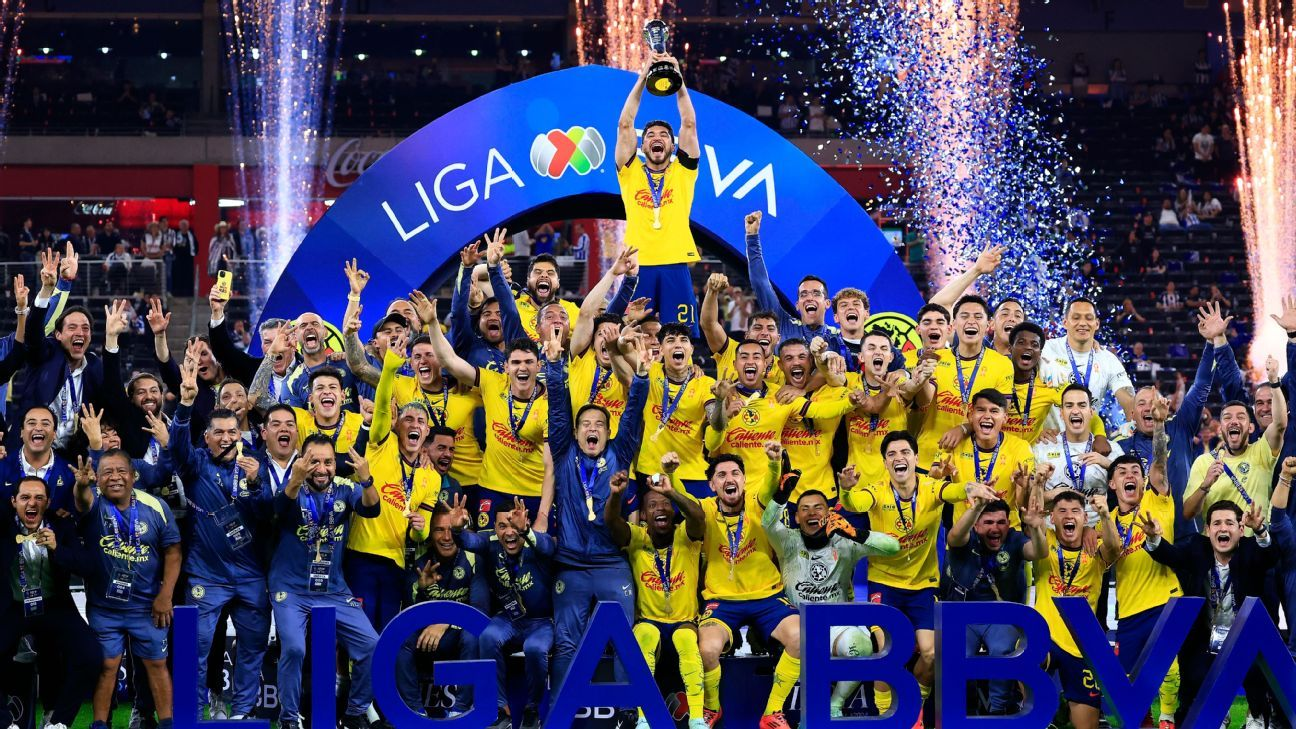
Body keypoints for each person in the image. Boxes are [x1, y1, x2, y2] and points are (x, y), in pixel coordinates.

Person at [839, 432, 995, 722]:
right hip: (884, 583)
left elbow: (954, 490)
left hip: (923, 586)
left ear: (915, 458)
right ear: (885, 463)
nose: (899, 458)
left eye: (905, 452)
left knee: (932, 653)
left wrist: (972, 487)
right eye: (892, 454)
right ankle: (887, 717)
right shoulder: (875, 491)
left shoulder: (931, 488)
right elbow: (854, 504)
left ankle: (914, 711)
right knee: (887, 652)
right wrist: (846, 490)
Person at [541, 334, 649, 702]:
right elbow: (558, 409)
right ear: (575, 433)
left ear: (608, 431)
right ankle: (559, 716)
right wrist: (553, 367)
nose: (592, 429)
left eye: (599, 424)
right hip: (570, 565)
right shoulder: (563, 451)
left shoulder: (621, 452)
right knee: (566, 642)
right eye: (585, 424)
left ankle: (626, 714)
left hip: (611, 564)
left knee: (624, 639)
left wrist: (642, 377)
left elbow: (633, 415)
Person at [168, 357, 272, 721]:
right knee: (195, 648)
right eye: (219, 433)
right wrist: (185, 404)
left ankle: (241, 714)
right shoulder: (196, 463)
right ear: (207, 437)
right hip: (207, 575)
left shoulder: (256, 464)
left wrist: (257, 483)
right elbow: (176, 448)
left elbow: (268, 514)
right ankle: (194, 715)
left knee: (253, 648)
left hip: (251, 574)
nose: (227, 438)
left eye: (232, 432)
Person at [1140, 495, 1290, 727]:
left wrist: (1260, 530)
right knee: (1194, 676)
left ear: (1241, 529)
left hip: (1249, 639)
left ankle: (1257, 714)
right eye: (1217, 523)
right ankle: (1215, 711)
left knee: (1260, 669)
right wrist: (1153, 538)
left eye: (1229, 523)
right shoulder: (1197, 548)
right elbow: (1170, 555)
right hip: (1207, 639)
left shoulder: (1251, 549)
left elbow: (1271, 555)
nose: (1223, 528)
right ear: (1208, 530)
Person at [764, 468, 900, 717]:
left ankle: (835, 704)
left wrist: (854, 533)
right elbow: (768, 523)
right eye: (804, 509)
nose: (811, 513)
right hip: (797, 625)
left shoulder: (845, 541)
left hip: (838, 626)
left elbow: (894, 547)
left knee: (861, 647)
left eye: (818, 508)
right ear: (797, 518)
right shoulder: (788, 541)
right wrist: (781, 496)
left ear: (829, 514)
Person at [268, 435, 383, 729]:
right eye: (314, 461)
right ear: (302, 462)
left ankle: (355, 712)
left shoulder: (345, 489)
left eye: (328, 462)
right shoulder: (291, 487)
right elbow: (278, 510)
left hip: (333, 589)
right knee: (294, 649)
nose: (322, 469)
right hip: (291, 589)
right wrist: (296, 479)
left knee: (372, 645)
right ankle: (289, 719)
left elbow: (372, 509)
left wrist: (367, 479)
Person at [73, 450, 182, 729]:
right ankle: (100, 724)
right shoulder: (94, 502)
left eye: (121, 471)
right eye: (107, 472)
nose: (115, 477)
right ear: (98, 478)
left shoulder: (155, 506)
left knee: (156, 664)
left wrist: (166, 595)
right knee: (108, 665)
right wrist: (82, 485)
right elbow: (81, 501)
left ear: (134, 476)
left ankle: (167, 724)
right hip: (104, 608)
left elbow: (173, 551)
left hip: (148, 607)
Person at [694, 446, 800, 729]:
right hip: (722, 600)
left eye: (735, 473)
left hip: (768, 597)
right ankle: (712, 707)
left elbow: (769, 487)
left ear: (744, 479)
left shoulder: (758, 502)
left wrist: (774, 463)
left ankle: (772, 712)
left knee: (801, 637)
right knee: (707, 649)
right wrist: (669, 480)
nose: (730, 479)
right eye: (721, 475)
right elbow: (687, 506)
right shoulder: (705, 508)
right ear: (712, 485)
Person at [422, 293, 549, 525]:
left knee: (533, 547)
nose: (522, 368)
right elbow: (450, 361)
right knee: (486, 545)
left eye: (528, 362)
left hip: (533, 491)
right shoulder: (492, 382)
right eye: (516, 362)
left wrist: (543, 516)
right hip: (492, 488)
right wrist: (432, 324)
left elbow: (550, 467)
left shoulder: (548, 402)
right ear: (506, 367)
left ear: (539, 366)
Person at [1117, 302, 1243, 536]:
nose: (1149, 407)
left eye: (1153, 401)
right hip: (1141, 541)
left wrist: (1210, 343)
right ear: (1132, 414)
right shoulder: (1121, 448)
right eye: (1141, 403)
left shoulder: (1180, 427)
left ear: (1164, 405)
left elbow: (1201, 385)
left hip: (1184, 536)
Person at [605, 461, 708, 729]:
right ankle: (643, 718)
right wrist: (615, 495)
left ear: (673, 511)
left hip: (684, 622)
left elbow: (698, 517)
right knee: (644, 638)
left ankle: (698, 719)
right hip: (649, 621)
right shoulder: (636, 538)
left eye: (665, 504)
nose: (660, 508)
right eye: (652, 505)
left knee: (686, 640)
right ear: (643, 515)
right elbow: (612, 522)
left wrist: (671, 492)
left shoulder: (686, 536)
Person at [345, 349, 438, 632]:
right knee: (361, 633)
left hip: (396, 563)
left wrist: (420, 528)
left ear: (426, 433)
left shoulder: (431, 478)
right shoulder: (380, 444)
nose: (415, 424)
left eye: (421, 422)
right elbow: (383, 405)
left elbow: (421, 533)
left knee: (386, 634)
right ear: (397, 425)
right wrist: (389, 369)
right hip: (360, 555)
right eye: (408, 419)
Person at [0, 476, 101, 729]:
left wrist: (57, 549)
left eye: (39, 498)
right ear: (13, 502)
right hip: (12, 607)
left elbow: (88, 566)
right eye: (25, 497)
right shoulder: (2, 526)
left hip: (54, 605)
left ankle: (57, 721)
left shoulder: (62, 525)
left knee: (90, 655)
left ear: (48, 503)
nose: (31, 503)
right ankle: (5, 723)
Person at [448, 497, 555, 729]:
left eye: (514, 525)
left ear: (524, 523)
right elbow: (469, 541)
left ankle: (532, 709)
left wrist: (526, 530)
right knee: (488, 636)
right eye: (502, 526)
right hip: (509, 619)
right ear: (495, 528)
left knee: (535, 649)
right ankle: (499, 709)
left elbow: (549, 546)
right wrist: (456, 530)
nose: (509, 532)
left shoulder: (534, 542)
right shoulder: (490, 542)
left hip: (541, 622)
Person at [615, 51, 702, 334]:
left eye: (664, 135)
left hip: (675, 263)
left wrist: (677, 78)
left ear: (672, 146)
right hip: (638, 266)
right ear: (642, 147)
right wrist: (643, 76)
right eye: (650, 135)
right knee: (635, 334)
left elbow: (688, 123)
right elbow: (625, 124)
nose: (656, 138)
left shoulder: (683, 171)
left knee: (681, 336)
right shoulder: (630, 172)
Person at [1109, 398, 1182, 729]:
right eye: (1122, 472)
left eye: (1136, 472)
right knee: (1127, 678)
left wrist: (1160, 425)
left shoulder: (1157, 499)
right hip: (1128, 610)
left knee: (1169, 666)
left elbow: (1161, 464)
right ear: (1112, 484)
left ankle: (1168, 718)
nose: (1130, 476)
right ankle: (1145, 719)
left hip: (1165, 600)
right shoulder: (1108, 520)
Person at [944, 490, 1048, 716]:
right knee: (958, 655)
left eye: (1001, 522)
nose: (995, 528)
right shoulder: (966, 538)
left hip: (1002, 617)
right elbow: (953, 537)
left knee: (1002, 651)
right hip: (964, 617)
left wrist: (1036, 529)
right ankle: (964, 712)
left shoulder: (1014, 539)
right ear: (976, 525)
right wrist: (977, 507)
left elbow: (1038, 552)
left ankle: (998, 713)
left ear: (1008, 524)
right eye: (988, 522)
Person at [706, 339, 854, 490]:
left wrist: (852, 402)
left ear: (765, 364)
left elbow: (820, 410)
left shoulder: (780, 394)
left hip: (768, 490)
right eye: (744, 357)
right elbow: (711, 444)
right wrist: (722, 409)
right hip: (732, 488)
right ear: (735, 364)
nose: (750, 361)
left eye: (756, 357)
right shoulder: (720, 394)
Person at [1034, 490, 1122, 729]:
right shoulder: (1045, 540)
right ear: (1052, 517)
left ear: (1084, 517)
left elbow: (1115, 549)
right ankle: (1049, 708)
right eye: (1062, 511)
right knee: (1026, 656)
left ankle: (1060, 710)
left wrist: (1104, 516)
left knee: (1086, 725)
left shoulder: (1095, 547)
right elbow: (1034, 514)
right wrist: (1039, 483)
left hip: (1081, 645)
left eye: (1075, 511)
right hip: (1046, 637)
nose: (1068, 516)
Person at [394, 500, 484, 719]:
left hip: (458, 634)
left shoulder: (474, 559)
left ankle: (459, 711)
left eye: (451, 529)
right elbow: (407, 613)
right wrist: (421, 589)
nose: (446, 537)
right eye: (439, 530)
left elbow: (480, 613)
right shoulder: (419, 561)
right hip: (426, 635)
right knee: (400, 637)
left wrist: (445, 621)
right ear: (430, 534)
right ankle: (414, 713)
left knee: (473, 636)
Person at [913, 295, 1014, 470]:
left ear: (988, 324)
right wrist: (923, 379)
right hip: (928, 456)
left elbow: (1001, 414)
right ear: (954, 324)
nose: (971, 321)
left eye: (978, 316)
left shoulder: (1002, 364)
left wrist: (965, 428)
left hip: (972, 463)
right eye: (964, 316)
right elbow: (923, 402)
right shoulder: (937, 358)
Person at [1183, 361, 1285, 532]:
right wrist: (1205, 485)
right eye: (1227, 417)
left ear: (1250, 428)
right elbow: (1188, 513)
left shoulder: (1262, 451)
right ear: (1220, 428)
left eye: (1241, 417)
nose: (1234, 421)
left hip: (1254, 543)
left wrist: (1274, 382)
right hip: (1216, 545)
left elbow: (1280, 424)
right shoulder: (1203, 462)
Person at [624, 322, 718, 500]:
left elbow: (715, 421)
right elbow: (624, 351)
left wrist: (720, 404)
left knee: (701, 517)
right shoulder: (650, 371)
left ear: (691, 349)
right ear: (660, 349)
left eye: (683, 340)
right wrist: (623, 338)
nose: (677, 344)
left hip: (693, 473)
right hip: (653, 471)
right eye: (670, 340)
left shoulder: (705, 384)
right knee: (656, 516)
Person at [743, 211, 847, 356]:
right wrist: (752, 237)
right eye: (803, 294)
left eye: (816, 293)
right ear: (797, 305)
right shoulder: (784, 324)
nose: (809, 298)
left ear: (827, 303)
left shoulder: (838, 338)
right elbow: (761, 283)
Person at [1040, 298, 1137, 427]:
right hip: (1049, 437)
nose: (1082, 323)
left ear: (1097, 324)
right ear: (1065, 323)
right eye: (1076, 318)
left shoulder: (1108, 360)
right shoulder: (1046, 349)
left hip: (1088, 437)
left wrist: (1136, 423)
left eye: (1089, 318)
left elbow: (1128, 401)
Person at [1033, 385, 1122, 524]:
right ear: (1061, 413)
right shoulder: (1042, 448)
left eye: (1082, 405)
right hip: (1053, 532)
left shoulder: (1112, 450)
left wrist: (1108, 465)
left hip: (1097, 531)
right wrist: (1054, 494)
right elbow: (1029, 506)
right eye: (1069, 406)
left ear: (1091, 412)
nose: (1075, 411)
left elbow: (1131, 493)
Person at [949, 390, 1036, 527]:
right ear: (970, 415)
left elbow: (1022, 505)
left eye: (994, 411)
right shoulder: (954, 443)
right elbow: (933, 487)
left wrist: (1026, 487)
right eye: (981, 410)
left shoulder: (1020, 447)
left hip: (1007, 530)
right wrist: (938, 474)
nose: (987, 416)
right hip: (966, 530)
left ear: (1005, 418)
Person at [701, 273, 783, 388]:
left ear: (778, 338)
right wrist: (712, 291)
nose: (764, 333)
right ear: (747, 335)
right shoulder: (730, 351)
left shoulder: (785, 367)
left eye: (770, 328)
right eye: (757, 328)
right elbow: (709, 324)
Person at [0, 405, 77, 512]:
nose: (38, 428)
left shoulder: (71, 473)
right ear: (21, 432)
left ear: (54, 434)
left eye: (45, 424)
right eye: (32, 423)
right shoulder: (2, 468)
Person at [1003, 322, 1064, 444]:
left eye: (1034, 344)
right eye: (1021, 342)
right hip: (995, 451)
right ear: (1010, 348)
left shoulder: (1050, 381)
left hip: (1031, 453)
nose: (1028, 347)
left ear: (1040, 353)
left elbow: (1082, 406)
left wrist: (1100, 435)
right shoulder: (996, 374)